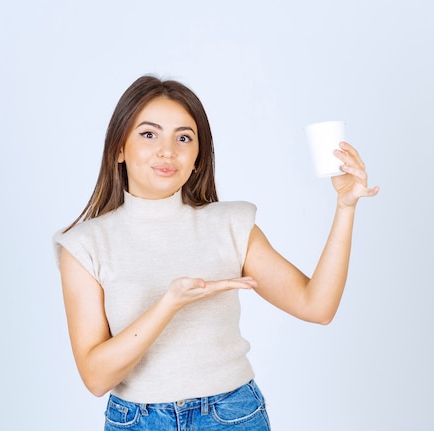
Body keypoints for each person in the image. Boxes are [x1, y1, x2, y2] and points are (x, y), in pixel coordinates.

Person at [53, 74, 379, 431]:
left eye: (184, 138)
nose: (168, 150)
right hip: (138, 421)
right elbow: (96, 378)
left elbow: (317, 307)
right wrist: (169, 303)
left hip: (232, 415)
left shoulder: (230, 224)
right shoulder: (84, 245)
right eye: (149, 134)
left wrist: (345, 207)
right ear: (118, 148)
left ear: (197, 157)